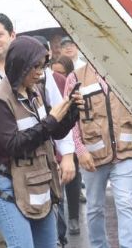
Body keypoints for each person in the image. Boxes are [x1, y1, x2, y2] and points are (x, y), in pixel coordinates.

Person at [0, 13, 76, 247]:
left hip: (40, 172)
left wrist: (67, 153)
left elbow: (56, 114)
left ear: (12, 35)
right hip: (0, 173)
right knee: (5, 240)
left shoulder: (37, 70)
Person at [0, 36, 83, 247]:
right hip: (8, 188)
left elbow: (52, 132)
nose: (40, 71)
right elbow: (14, 146)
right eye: (35, 66)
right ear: (20, 63)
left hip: (37, 184)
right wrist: (51, 120)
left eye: (43, 66)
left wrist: (72, 112)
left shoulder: (34, 91)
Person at [65, 61, 132, 248]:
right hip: (93, 157)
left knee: (126, 203)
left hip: (124, 152)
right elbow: (71, 119)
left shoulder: (126, 72)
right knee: (94, 208)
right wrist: (80, 149)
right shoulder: (75, 78)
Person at [51, 56, 83, 237]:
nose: (56, 75)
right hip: (51, 142)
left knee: (72, 182)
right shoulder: (40, 81)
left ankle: (73, 218)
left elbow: (74, 112)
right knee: (57, 191)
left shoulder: (67, 82)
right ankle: (60, 232)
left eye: (61, 72)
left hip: (69, 139)